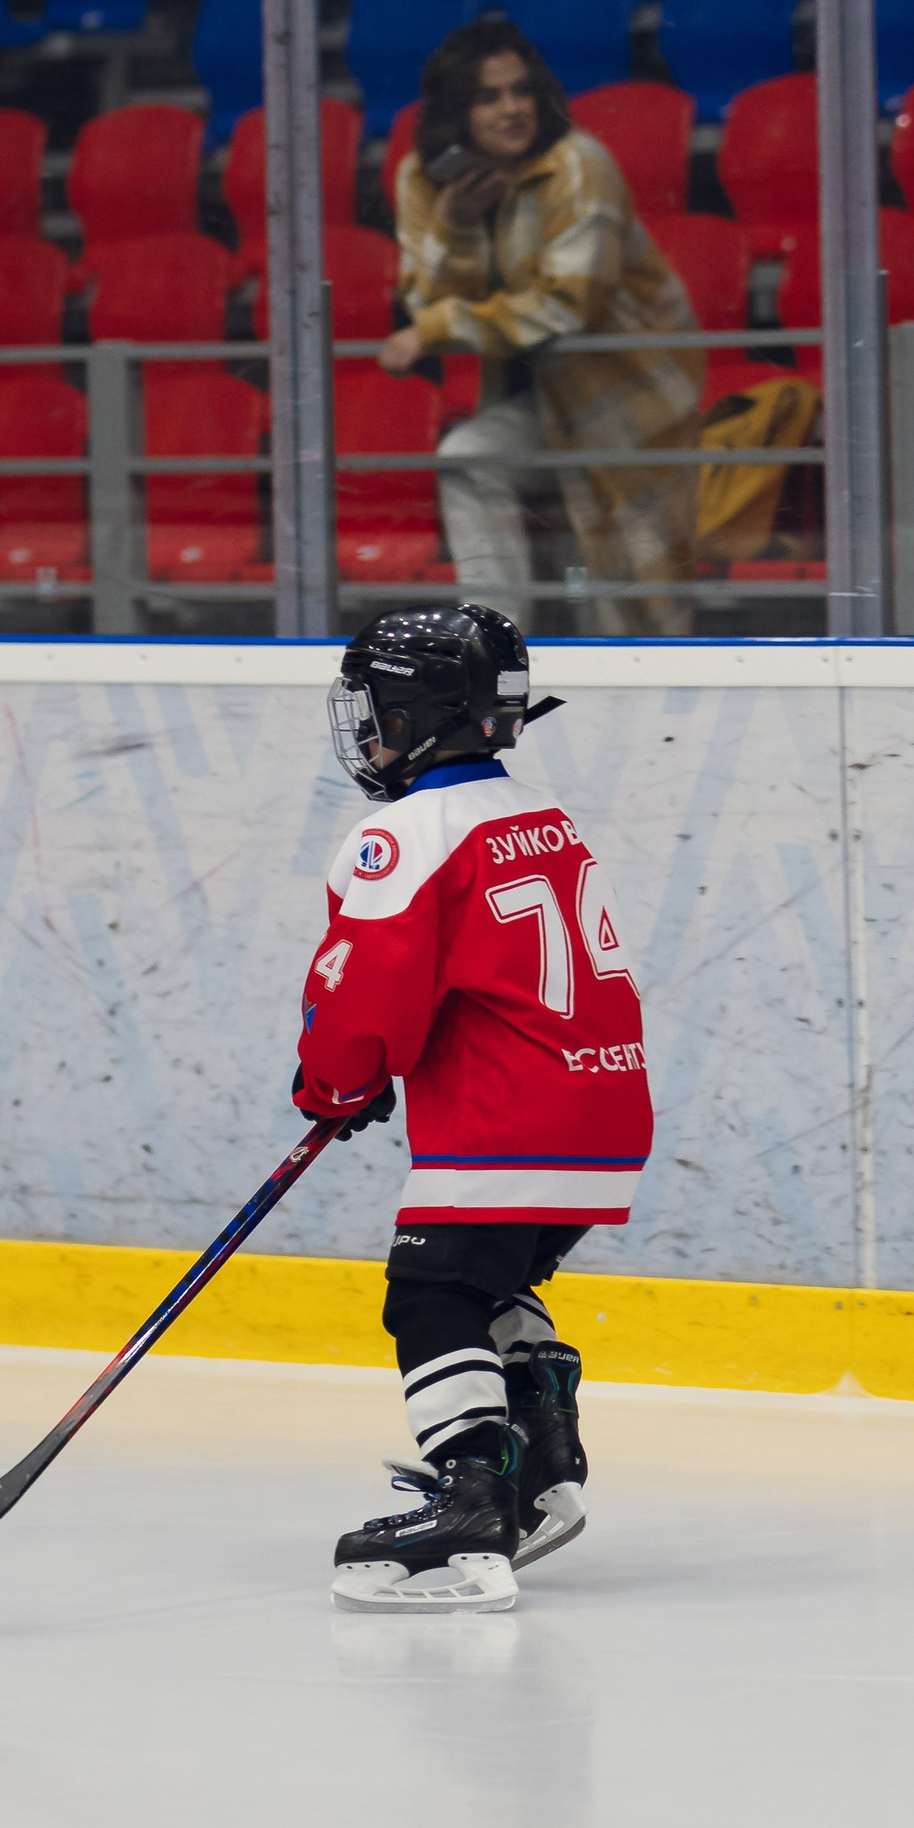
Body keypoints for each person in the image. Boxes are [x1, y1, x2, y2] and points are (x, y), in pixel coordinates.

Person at [292, 602, 652, 1613]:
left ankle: (469, 1499)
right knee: (488, 1277)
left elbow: (367, 996)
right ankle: (542, 1455)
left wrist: (335, 1086)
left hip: (508, 1109)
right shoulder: (538, 811)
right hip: (602, 1101)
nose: (365, 731)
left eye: (375, 710)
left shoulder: (401, 833)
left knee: (429, 1292)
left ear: (417, 715)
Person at [379, 18, 699, 639]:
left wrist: (440, 327)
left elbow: (564, 307)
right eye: (488, 97)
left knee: (631, 619)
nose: (512, 110)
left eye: (521, 91)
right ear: (455, 112)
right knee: (468, 459)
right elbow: (422, 297)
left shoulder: (580, 164)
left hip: (628, 392)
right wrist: (456, 227)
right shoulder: (423, 179)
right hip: (537, 398)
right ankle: (491, 643)